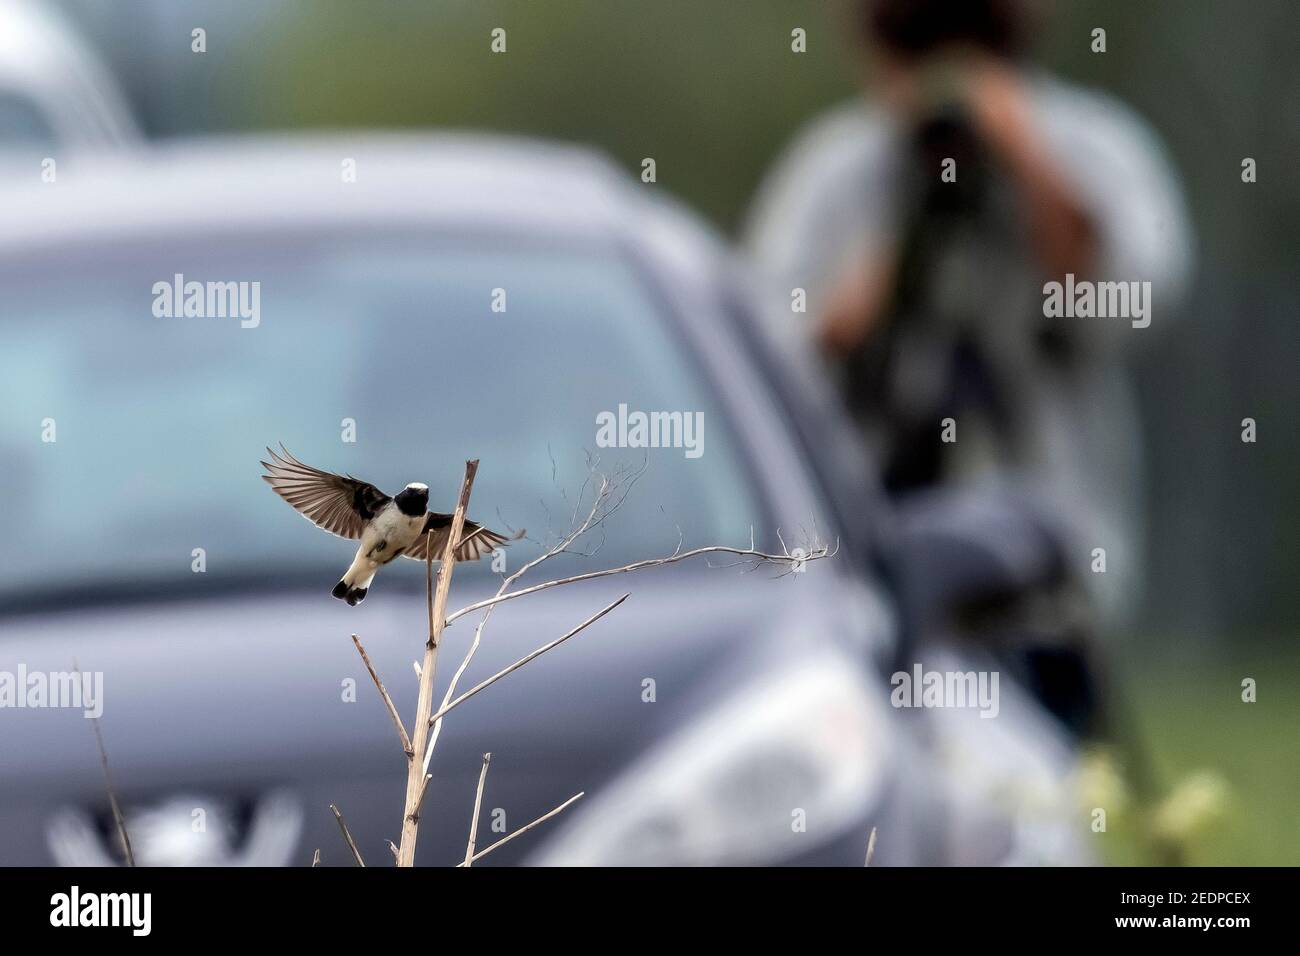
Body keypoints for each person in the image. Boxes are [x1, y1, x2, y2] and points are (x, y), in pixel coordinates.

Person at [744, 0, 1192, 624]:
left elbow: (1143, 301)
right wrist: (874, 285)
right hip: (865, 559)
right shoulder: (837, 171)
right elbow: (760, 356)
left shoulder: (1091, 147)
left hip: (1053, 564)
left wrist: (1034, 170)